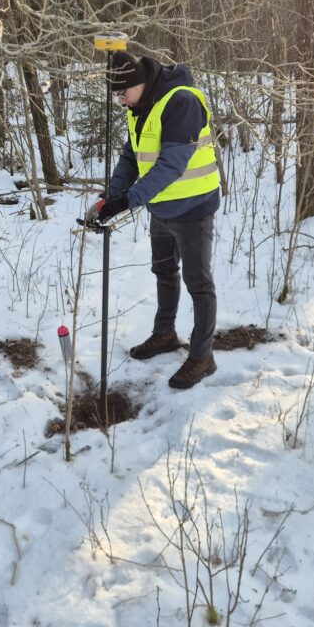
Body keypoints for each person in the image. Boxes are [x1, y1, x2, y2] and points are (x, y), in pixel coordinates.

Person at [88, 50, 220, 390]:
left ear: (140, 83)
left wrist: (128, 201)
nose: (119, 101)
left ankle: (203, 356)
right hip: (160, 209)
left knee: (198, 283)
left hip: (192, 208)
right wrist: (112, 196)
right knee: (163, 271)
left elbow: (171, 166)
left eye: (122, 93)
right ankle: (165, 333)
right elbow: (131, 156)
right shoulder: (138, 107)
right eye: (115, 95)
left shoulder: (182, 102)